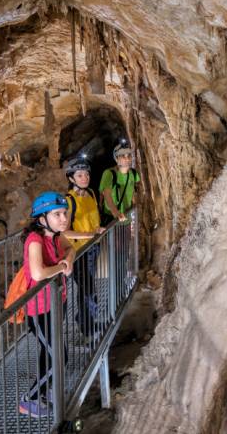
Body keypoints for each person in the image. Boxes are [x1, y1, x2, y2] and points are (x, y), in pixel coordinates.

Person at [18, 192, 74, 419]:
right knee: (60, 355)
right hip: (38, 310)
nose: (64, 219)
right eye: (57, 214)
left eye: (64, 213)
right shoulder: (35, 239)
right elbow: (38, 272)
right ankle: (29, 398)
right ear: (42, 218)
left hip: (54, 304)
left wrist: (67, 260)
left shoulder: (54, 236)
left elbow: (70, 248)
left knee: (50, 352)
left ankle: (44, 391)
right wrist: (62, 268)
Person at [61, 156, 105, 341]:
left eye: (86, 174)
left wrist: (96, 234)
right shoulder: (69, 200)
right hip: (78, 253)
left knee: (87, 288)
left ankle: (86, 319)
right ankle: (87, 328)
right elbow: (65, 232)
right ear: (71, 178)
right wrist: (90, 235)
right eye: (79, 175)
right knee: (88, 289)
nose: (84, 178)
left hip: (93, 249)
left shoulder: (91, 194)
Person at [99, 139, 141, 224]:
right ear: (117, 158)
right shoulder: (109, 174)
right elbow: (107, 195)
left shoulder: (133, 173)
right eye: (123, 156)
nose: (127, 158)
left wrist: (134, 206)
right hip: (112, 219)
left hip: (126, 217)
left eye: (129, 155)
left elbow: (133, 191)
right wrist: (116, 213)